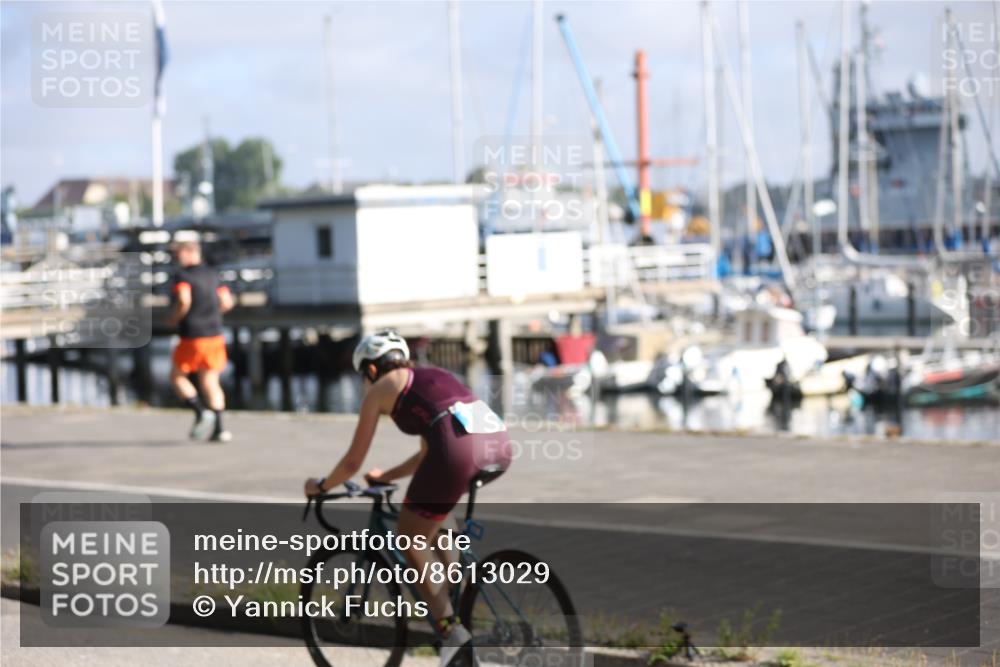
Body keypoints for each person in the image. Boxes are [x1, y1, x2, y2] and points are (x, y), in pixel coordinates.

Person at [303, 329, 512, 667]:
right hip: (498, 445)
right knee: (434, 516)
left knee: (408, 537)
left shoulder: (381, 388)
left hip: (457, 452)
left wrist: (322, 485)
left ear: (371, 369)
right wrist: (387, 476)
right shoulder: (434, 377)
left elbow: (353, 461)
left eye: (363, 376)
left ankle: (451, 633)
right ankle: (458, 600)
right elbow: (430, 452)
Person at [168, 239, 234, 442]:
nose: (176, 259)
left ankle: (199, 411)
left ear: (189, 253)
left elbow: (184, 300)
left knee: (177, 377)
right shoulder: (214, 274)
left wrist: (175, 318)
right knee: (211, 381)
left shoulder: (182, 275)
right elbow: (227, 302)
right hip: (215, 335)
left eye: (178, 254)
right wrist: (212, 315)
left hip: (192, 335)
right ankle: (220, 429)